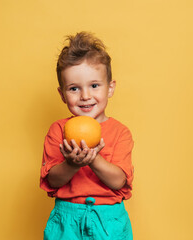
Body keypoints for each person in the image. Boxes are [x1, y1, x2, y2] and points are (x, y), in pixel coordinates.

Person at [40, 31, 134, 240]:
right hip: (67, 219)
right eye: (74, 88)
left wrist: (93, 159)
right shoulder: (58, 130)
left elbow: (119, 181)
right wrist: (72, 164)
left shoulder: (121, 132)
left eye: (94, 85)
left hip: (108, 222)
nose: (85, 96)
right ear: (62, 94)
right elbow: (53, 180)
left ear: (110, 88)